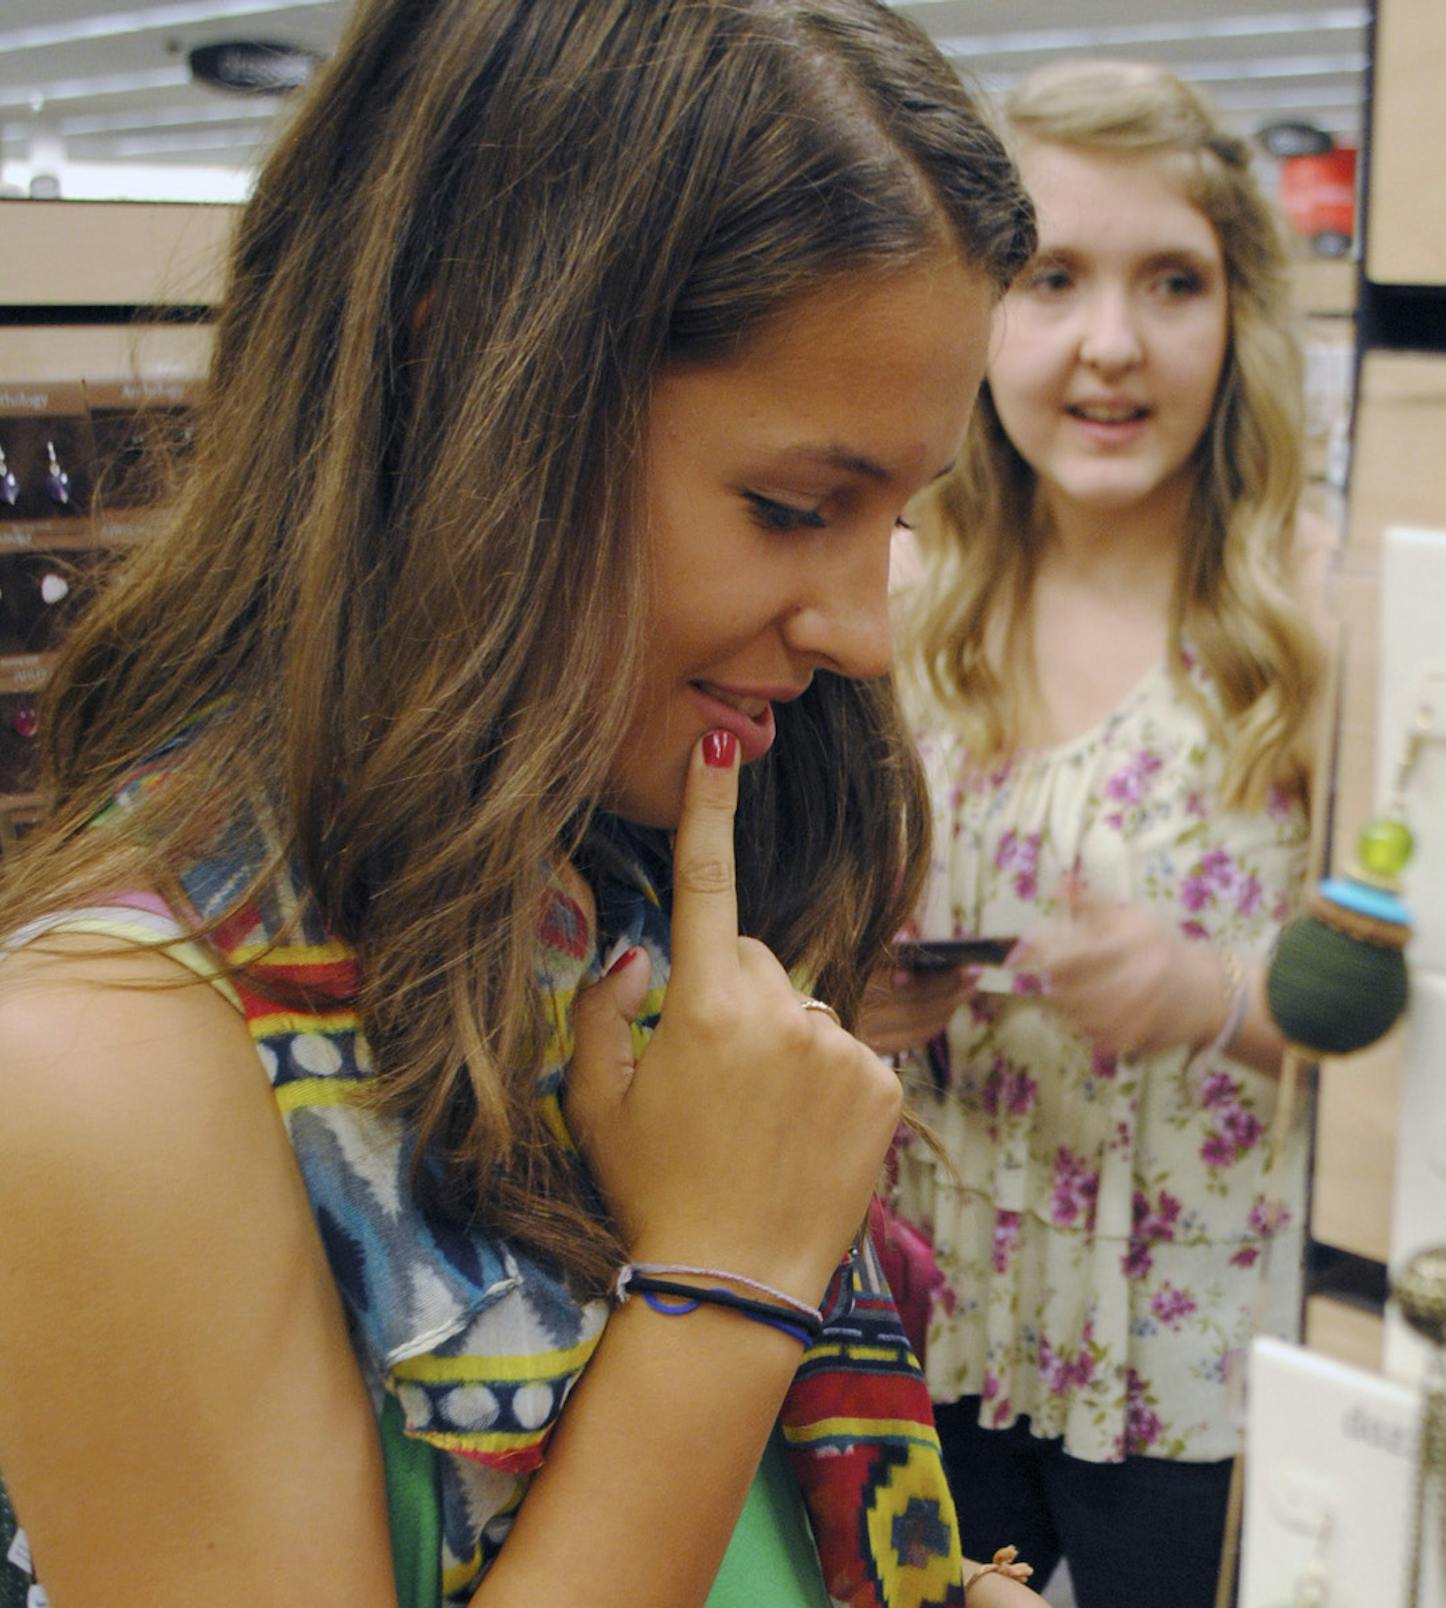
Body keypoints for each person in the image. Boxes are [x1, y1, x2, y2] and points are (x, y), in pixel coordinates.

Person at [0, 3, 1053, 1605]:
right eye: (792, 508)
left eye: (896, 518)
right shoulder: (109, 1062)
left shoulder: (610, 898)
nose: (864, 629)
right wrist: (725, 1288)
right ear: (470, 387)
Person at [882, 58, 1335, 1608]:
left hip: (1199, 1373)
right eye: (1052, 278)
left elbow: (1417, 1033)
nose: (1112, 345)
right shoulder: (900, 597)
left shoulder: (1312, 623)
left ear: (1238, 314)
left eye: (1173, 282)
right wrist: (851, 995)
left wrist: (1211, 997)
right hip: (938, 1323)